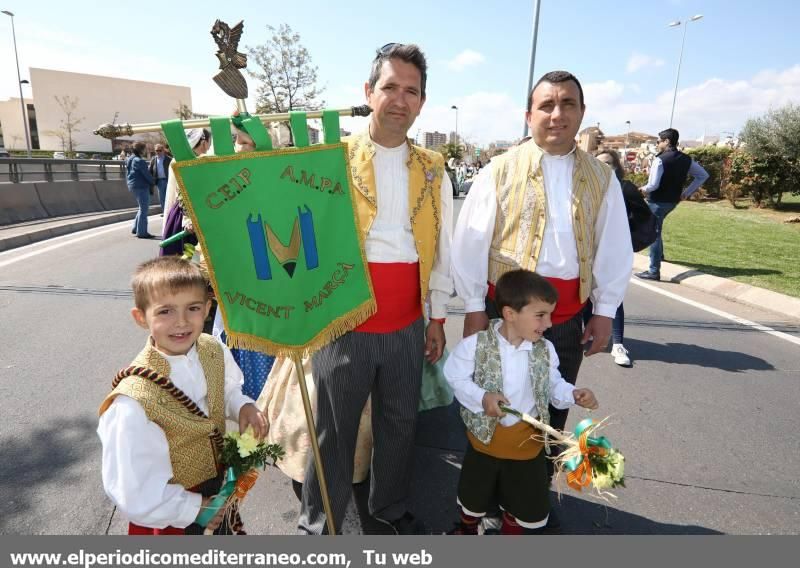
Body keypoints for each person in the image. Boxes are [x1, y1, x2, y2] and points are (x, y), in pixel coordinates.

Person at [451, 71, 630, 528]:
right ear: (529, 115)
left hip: (566, 319)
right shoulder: (500, 169)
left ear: (582, 114)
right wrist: (474, 307)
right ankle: (484, 499)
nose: (557, 114)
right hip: (502, 315)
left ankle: (528, 497)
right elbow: (470, 242)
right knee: (491, 403)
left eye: (567, 104)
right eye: (546, 105)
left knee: (550, 407)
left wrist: (605, 312)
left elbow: (613, 247)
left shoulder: (602, 178)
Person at [298, 42, 454, 535]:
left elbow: (442, 246)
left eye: (412, 91)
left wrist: (438, 317)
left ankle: (390, 511)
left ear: (423, 102)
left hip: (408, 319)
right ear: (368, 92)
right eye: (390, 87)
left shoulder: (434, 167)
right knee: (334, 432)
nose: (400, 100)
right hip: (343, 317)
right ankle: (318, 524)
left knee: (401, 426)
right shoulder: (331, 159)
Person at [97, 256, 267, 535]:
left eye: (193, 308)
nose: (182, 322)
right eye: (165, 312)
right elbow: (134, 491)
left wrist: (242, 406)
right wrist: (194, 509)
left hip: (217, 492)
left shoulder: (212, 349)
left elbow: (225, 389)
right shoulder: (132, 402)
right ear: (141, 317)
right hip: (170, 517)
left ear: (208, 309)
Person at [444, 270, 598, 535]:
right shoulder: (476, 345)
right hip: (485, 444)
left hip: (526, 446)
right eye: (540, 315)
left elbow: (552, 383)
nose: (549, 323)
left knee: (523, 498)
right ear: (510, 314)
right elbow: (454, 375)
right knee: (475, 493)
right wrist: (482, 397)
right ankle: (467, 527)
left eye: (550, 314)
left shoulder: (544, 350)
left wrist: (572, 393)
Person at [592, 149, 653, 366]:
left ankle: (617, 343)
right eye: (599, 163)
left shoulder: (625, 189)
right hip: (585, 252)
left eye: (609, 163)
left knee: (612, 297)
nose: (605, 168)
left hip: (612, 252)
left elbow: (644, 219)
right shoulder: (585, 189)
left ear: (617, 166)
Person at [635, 128, 709, 281]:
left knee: (652, 234)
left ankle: (654, 271)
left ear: (667, 141)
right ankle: (659, 256)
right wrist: (687, 192)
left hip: (657, 201)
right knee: (656, 228)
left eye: (659, 141)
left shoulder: (660, 159)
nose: (657, 144)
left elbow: (653, 185)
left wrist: (641, 189)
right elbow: (703, 175)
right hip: (672, 201)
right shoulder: (686, 159)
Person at [126, 142, 156, 239]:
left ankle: (136, 228)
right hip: (141, 186)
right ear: (141, 150)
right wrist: (154, 181)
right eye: (144, 149)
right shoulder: (140, 161)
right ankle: (142, 232)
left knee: (141, 208)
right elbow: (146, 175)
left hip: (133, 185)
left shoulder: (129, 159)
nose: (145, 150)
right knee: (144, 210)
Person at [149, 144, 172, 215]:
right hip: (159, 181)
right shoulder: (153, 159)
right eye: (156, 150)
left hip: (168, 180)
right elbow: (150, 170)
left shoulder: (168, 159)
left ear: (163, 151)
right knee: (162, 198)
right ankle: (165, 212)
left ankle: (170, 212)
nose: (158, 152)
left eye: (160, 150)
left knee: (169, 197)